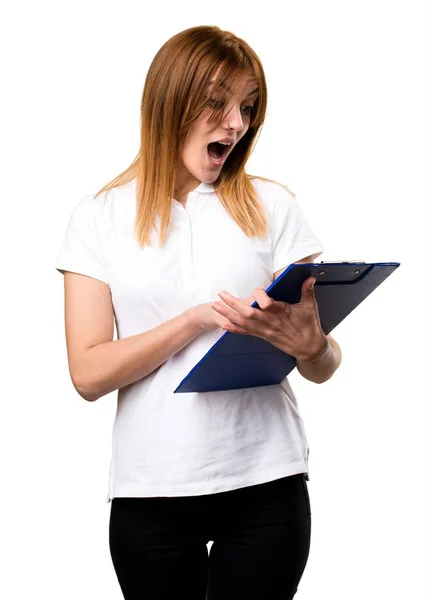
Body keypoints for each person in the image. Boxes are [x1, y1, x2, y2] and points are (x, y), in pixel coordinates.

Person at [55, 25, 342, 600]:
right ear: (170, 100)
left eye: (247, 108)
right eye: (217, 102)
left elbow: (323, 362)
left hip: (267, 481)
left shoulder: (274, 207)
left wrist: (313, 347)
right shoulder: (99, 218)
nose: (235, 123)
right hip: (151, 491)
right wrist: (195, 320)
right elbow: (87, 374)